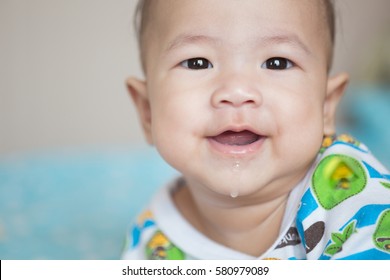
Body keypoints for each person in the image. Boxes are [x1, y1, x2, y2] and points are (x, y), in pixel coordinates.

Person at [122, 0, 390, 259]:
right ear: (147, 112)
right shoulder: (154, 239)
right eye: (197, 62)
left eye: (277, 62)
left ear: (326, 106)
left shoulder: (351, 192)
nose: (237, 91)